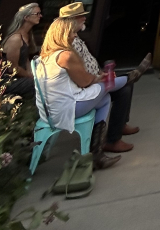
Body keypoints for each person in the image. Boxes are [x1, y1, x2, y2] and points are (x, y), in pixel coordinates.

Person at [60, 2, 151, 154]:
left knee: (125, 88)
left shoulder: (74, 38)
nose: (84, 19)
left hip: (91, 83)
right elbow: (80, 76)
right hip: (83, 91)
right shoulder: (67, 45)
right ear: (72, 20)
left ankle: (118, 127)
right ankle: (131, 76)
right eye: (81, 16)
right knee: (124, 86)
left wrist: (100, 73)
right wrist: (98, 78)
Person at [36, 17, 120, 169]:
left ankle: (97, 153)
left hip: (49, 110)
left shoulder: (45, 55)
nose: (75, 36)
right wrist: (98, 78)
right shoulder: (65, 55)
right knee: (106, 86)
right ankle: (96, 154)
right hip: (66, 109)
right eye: (72, 33)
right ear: (61, 34)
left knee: (105, 98)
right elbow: (85, 82)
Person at [2, 2, 41, 98]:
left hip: (20, 77)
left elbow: (26, 60)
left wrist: (33, 74)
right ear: (26, 18)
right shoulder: (15, 38)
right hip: (7, 81)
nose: (40, 16)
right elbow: (12, 68)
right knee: (41, 85)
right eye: (37, 14)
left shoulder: (27, 36)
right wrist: (31, 77)